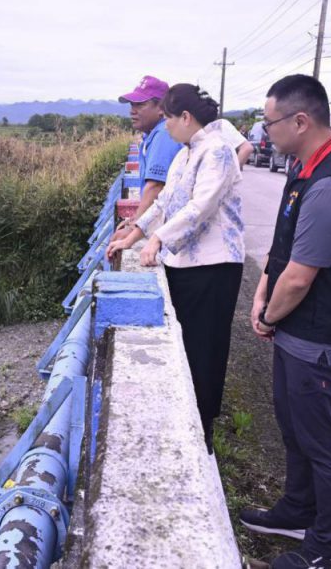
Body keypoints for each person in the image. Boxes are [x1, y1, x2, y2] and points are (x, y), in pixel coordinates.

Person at [243, 74, 331, 569]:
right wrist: (261, 295)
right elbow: (283, 251)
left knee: (326, 443)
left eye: (269, 121)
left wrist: (269, 313)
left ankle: (328, 552)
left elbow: (299, 277)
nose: (263, 132)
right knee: (295, 428)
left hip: (322, 337)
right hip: (296, 330)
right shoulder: (303, 167)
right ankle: (297, 511)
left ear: (300, 120)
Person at [106, 83, 244, 454]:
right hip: (186, 265)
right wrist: (133, 236)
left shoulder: (217, 152)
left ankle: (203, 434)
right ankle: (189, 423)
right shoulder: (187, 152)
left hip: (214, 268)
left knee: (206, 350)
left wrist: (157, 240)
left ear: (186, 117)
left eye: (168, 118)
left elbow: (200, 208)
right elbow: (165, 200)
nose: (165, 126)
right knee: (187, 345)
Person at [111, 75, 180, 241]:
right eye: (132, 104)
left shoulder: (163, 134)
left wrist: (135, 227)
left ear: (161, 107)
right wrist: (137, 218)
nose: (132, 110)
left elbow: (156, 186)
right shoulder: (153, 134)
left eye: (140, 104)